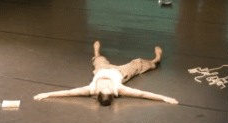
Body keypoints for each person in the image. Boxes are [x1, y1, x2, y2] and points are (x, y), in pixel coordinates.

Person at [34, 41, 178, 106]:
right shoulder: (119, 89)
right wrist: (164, 98)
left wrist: (48, 94)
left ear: (97, 93)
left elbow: (69, 92)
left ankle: (96, 52)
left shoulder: (91, 89)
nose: (106, 86)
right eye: (107, 88)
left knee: (99, 60)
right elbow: (142, 94)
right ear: (111, 92)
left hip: (102, 69)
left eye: (104, 88)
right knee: (138, 63)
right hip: (121, 72)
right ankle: (156, 59)